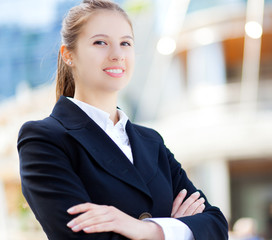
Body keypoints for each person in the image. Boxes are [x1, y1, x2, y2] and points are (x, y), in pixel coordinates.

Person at [17, 0, 228, 239]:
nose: (117, 55)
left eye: (125, 43)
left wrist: (145, 229)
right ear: (68, 55)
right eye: (100, 42)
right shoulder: (44, 138)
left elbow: (215, 225)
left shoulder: (151, 142)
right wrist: (175, 229)